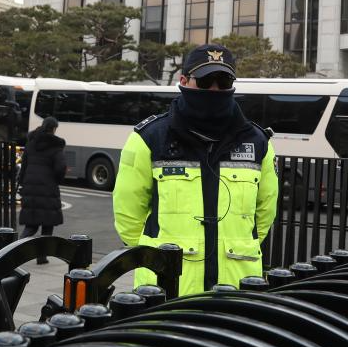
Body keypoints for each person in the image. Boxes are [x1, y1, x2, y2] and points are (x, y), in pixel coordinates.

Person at [113, 44, 278, 296]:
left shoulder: (258, 142)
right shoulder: (149, 138)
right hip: (165, 286)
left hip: (236, 285)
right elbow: (128, 215)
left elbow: (264, 214)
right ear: (183, 81)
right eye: (204, 80)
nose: (214, 89)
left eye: (223, 81)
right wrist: (155, 255)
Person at [18, 116, 66, 264]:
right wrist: (57, 180)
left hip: (30, 186)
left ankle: (15, 251)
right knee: (47, 225)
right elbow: (60, 168)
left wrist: (22, 183)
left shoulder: (31, 142)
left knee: (30, 226)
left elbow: (24, 165)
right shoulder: (56, 146)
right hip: (48, 188)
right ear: (53, 129)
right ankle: (42, 256)